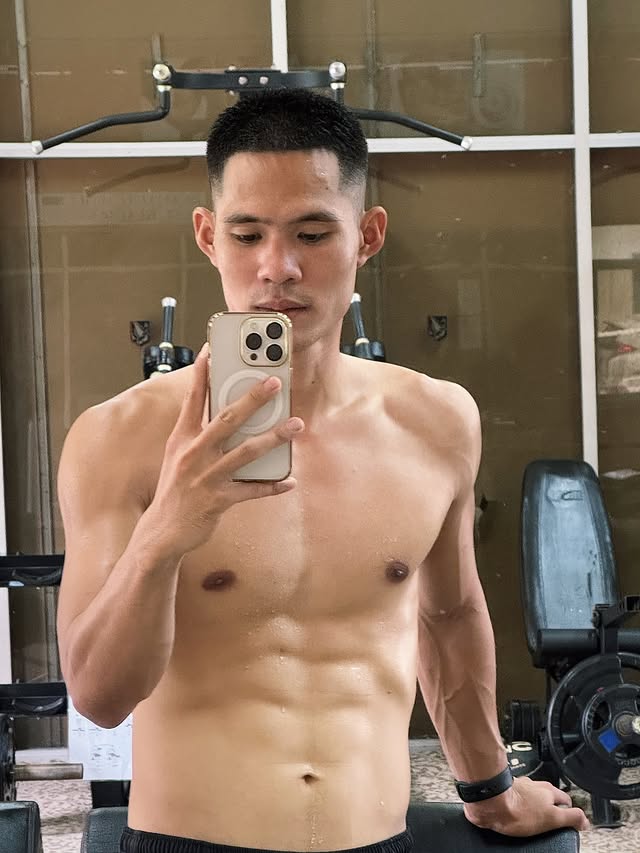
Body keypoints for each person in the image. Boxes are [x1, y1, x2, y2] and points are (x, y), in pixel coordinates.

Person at [56, 89, 589, 853]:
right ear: (207, 236)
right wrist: (164, 535)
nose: (277, 266)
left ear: (368, 235)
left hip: (376, 841)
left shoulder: (437, 422)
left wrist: (491, 790)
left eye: (312, 232)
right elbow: (99, 696)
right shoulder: (117, 438)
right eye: (247, 234)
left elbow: (449, 617)